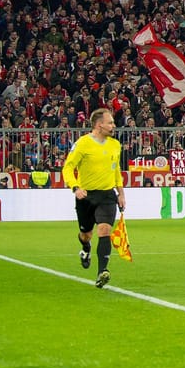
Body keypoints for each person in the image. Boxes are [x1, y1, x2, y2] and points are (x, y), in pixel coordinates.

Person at [64, 108, 125, 288]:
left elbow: (116, 171)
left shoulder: (115, 145)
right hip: (86, 196)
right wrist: (75, 187)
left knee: (105, 230)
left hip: (107, 195)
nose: (113, 126)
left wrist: (121, 193)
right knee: (86, 234)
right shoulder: (83, 144)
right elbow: (68, 167)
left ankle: (102, 272)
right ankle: (85, 249)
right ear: (99, 125)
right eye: (110, 122)